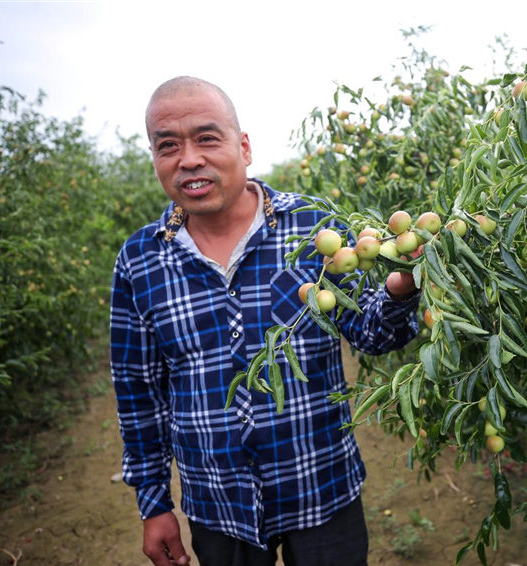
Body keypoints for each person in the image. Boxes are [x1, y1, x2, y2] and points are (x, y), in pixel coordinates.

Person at [110, 76, 420, 566]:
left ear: (245, 146)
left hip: (321, 487)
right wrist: (153, 504)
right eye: (167, 146)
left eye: (206, 138)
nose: (188, 158)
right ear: (155, 158)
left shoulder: (314, 229)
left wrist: (400, 288)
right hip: (217, 504)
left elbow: (373, 332)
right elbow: (139, 393)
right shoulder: (141, 259)